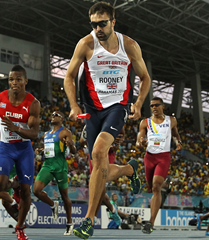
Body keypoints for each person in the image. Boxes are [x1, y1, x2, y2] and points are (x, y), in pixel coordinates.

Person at [64, 2, 151, 239]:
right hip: (92, 110)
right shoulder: (86, 44)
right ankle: (128, 169)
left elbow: (145, 78)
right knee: (97, 169)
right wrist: (73, 105)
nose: (98, 29)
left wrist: (138, 103)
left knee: (100, 151)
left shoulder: (130, 46)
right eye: (94, 25)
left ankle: (88, 220)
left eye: (102, 24)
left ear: (113, 22)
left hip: (117, 107)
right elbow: (69, 76)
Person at [0, 65, 40, 240]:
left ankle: (20, 227)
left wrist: (16, 128)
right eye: (11, 79)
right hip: (6, 148)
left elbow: (34, 133)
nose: (14, 83)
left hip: (24, 150)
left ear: (25, 81)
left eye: (18, 79)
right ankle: (14, 184)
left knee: (27, 192)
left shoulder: (33, 103)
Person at [136, 97, 182, 234]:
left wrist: (178, 142)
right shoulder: (145, 122)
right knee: (151, 187)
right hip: (149, 157)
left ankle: (150, 222)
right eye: (151, 106)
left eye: (156, 105)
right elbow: (139, 137)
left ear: (163, 106)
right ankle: (159, 192)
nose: (154, 107)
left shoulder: (171, 121)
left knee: (156, 187)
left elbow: (175, 135)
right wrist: (140, 142)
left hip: (164, 157)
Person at [33, 111, 76, 236]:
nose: (53, 116)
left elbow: (72, 151)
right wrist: (41, 151)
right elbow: (48, 149)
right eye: (52, 115)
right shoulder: (46, 134)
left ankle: (69, 223)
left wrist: (71, 146)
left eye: (56, 114)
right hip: (47, 165)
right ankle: (53, 204)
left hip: (60, 167)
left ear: (62, 118)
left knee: (65, 196)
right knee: (36, 190)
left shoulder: (65, 132)